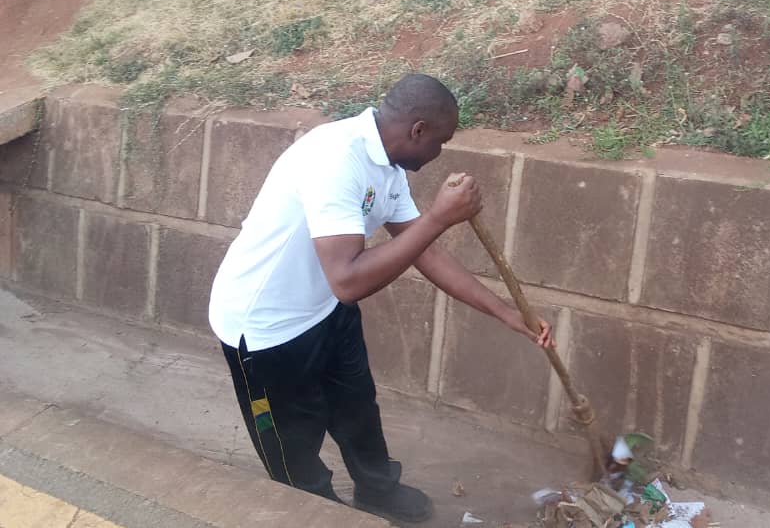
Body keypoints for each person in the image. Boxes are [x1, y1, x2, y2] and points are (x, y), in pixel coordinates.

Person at [208, 73, 554, 524]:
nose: (440, 152)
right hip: (264, 331)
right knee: (293, 449)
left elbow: (424, 250)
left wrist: (507, 314)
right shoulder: (337, 160)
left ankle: (378, 491)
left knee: (357, 408)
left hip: (325, 311)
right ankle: (315, 512)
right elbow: (348, 280)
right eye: (441, 141)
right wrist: (439, 218)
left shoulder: (388, 166)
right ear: (418, 130)